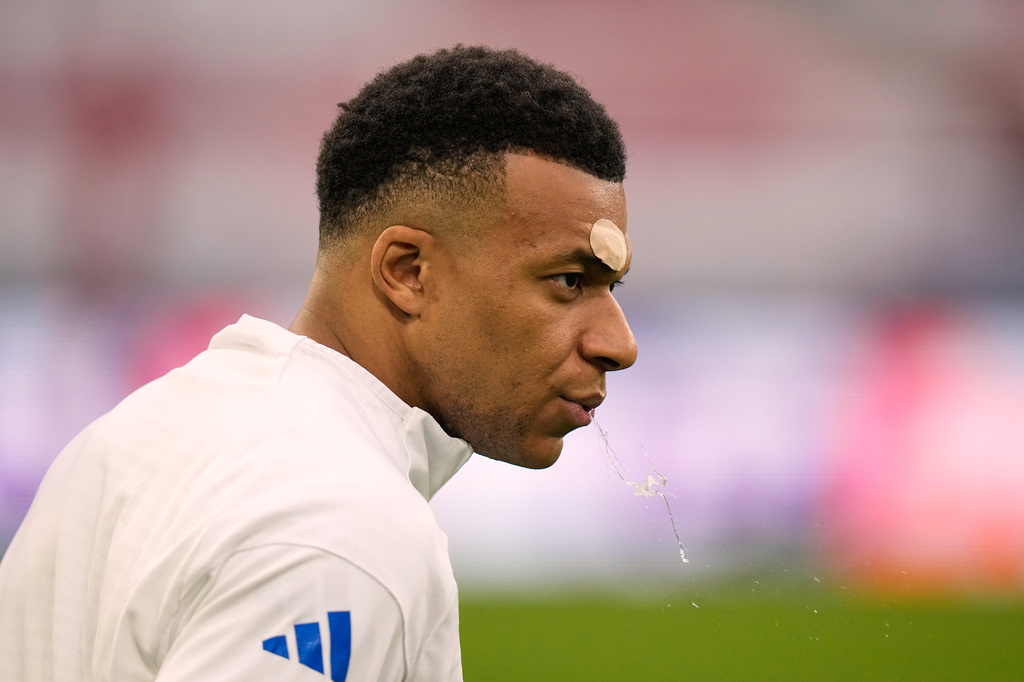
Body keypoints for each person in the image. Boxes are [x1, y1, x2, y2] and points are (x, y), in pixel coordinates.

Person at [0, 45, 637, 681]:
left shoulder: (131, 438)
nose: (619, 343)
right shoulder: (340, 530)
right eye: (568, 280)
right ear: (408, 272)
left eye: (613, 288)